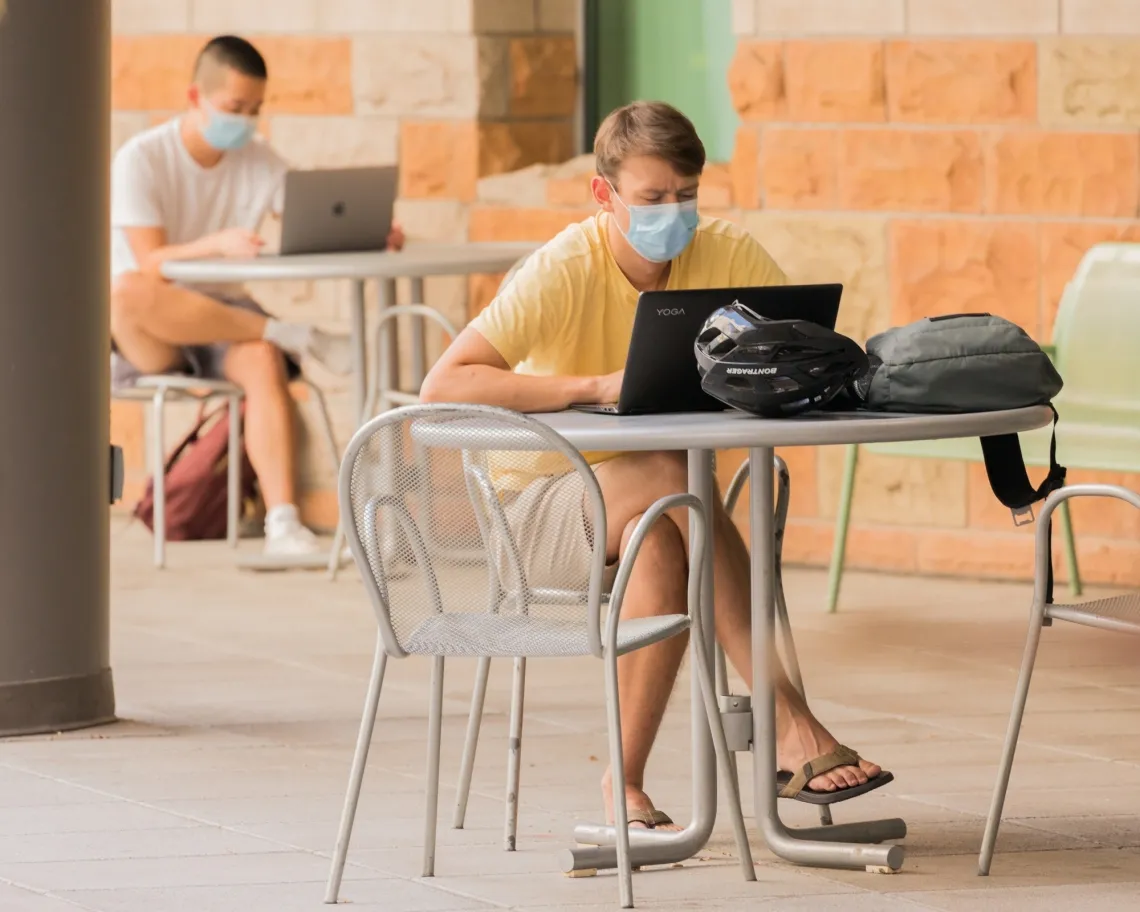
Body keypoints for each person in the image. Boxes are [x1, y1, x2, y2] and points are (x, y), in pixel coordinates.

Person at [421, 101, 888, 830]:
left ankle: (625, 785)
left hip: (651, 505)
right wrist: (591, 387)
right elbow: (444, 384)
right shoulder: (564, 268)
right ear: (604, 195)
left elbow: (797, 347)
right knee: (675, 477)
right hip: (536, 506)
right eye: (651, 198)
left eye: (685, 196)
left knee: (668, 528)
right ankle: (791, 720)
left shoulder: (729, 254)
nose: (673, 213)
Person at [109, 35, 405, 556]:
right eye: (234, 108)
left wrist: (369, 228)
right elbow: (151, 259)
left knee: (262, 361)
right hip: (153, 325)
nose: (245, 121)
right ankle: (295, 335)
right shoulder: (142, 159)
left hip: (227, 319)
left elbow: (306, 219)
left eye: (255, 109)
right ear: (196, 97)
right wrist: (216, 244)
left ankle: (283, 524)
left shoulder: (258, 158)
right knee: (126, 288)